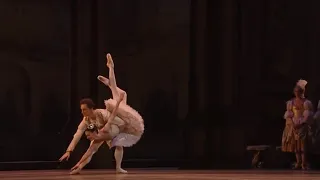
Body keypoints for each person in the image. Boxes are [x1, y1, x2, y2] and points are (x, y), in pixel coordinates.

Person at [71, 54, 144, 172]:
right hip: (118, 126)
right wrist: (79, 166)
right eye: (88, 136)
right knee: (123, 93)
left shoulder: (103, 130)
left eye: (89, 136)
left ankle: (111, 68)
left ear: (94, 132)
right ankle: (110, 83)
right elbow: (89, 153)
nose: (89, 138)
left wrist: (118, 102)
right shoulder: (97, 138)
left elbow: (113, 115)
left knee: (119, 92)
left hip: (119, 118)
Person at [282, 79, 313, 170]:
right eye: (295, 91)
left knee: (303, 145)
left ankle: (304, 163)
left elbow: (307, 115)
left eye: (298, 91)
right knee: (296, 145)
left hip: (302, 125)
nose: (297, 93)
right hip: (294, 125)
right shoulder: (291, 102)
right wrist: (292, 124)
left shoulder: (306, 102)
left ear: (302, 91)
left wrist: (302, 123)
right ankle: (298, 162)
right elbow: (289, 114)